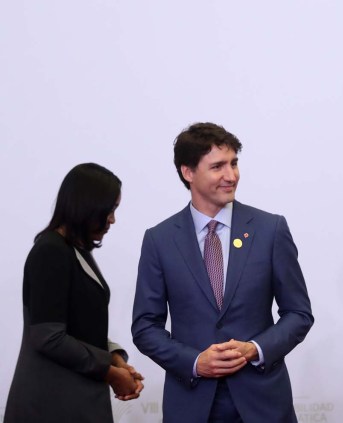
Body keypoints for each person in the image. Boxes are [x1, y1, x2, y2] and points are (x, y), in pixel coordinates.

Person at [132, 122, 314, 422]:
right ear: (188, 172)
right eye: (217, 166)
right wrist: (195, 361)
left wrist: (255, 349)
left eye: (234, 164)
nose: (231, 176)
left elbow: (299, 313)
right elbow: (145, 327)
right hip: (192, 404)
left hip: (263, 404)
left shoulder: (271, 230)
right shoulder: (159, 240)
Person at [4, 163, 144, 423]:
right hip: (50, 405)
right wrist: (110, 373)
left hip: (72, 401)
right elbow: (48, 337)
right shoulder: (51, 252)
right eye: (109, 210)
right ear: (86, 206)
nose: (112, 219)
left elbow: (80, 326)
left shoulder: (75, 251)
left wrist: (115, 358)